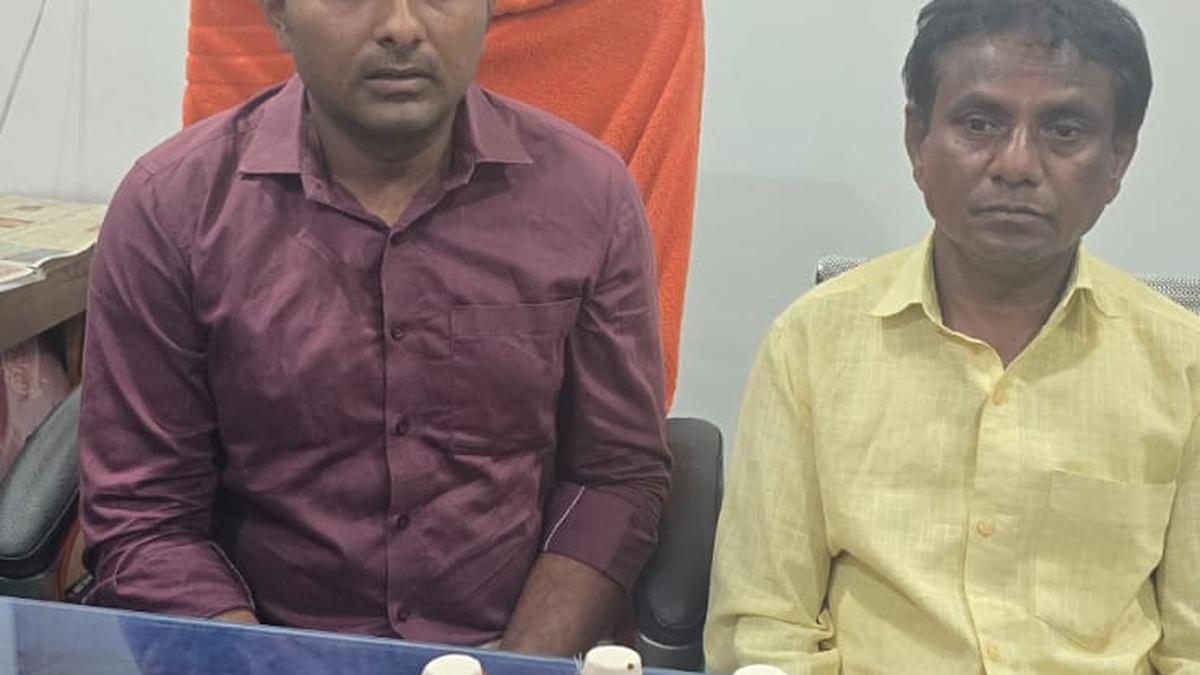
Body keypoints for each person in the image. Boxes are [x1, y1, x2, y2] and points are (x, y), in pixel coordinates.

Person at [78, 0, 670, 657]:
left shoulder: (588, 196)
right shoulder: (171, 208)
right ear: (278, 15)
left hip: (510, 644)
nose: (400, 28)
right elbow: (145, 512)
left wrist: (514, 667)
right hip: (260, 645)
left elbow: (614, 476)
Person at [705, 0, 1200, 672]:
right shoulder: (811, 344)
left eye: (1064, 130)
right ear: (919, 140)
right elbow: (764, 630)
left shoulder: (1183, 366)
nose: (1016, 164)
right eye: (980, 123)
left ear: (1118, 157)